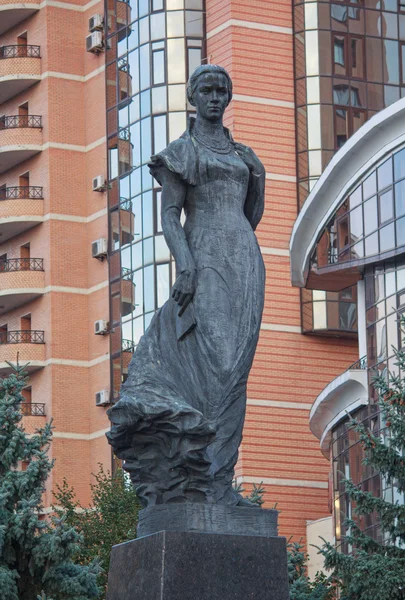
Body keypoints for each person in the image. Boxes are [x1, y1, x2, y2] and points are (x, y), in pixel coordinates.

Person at [106, 65, 266, 509]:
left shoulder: (242, 154)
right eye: (207, 91)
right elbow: (168, 216)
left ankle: (221, 480)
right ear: (193, 96)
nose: (215, 98)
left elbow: (251, 214)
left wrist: (258, 175)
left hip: (245, 262)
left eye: (222, 91)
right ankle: (202, 475)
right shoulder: (182, 151)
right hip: (205, 257)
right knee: (215, 362)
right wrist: (186, 266)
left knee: (237, 370)